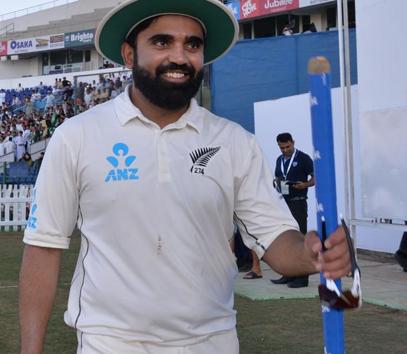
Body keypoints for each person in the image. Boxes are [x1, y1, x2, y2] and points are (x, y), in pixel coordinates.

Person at [18, 1, 351, 353]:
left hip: (211, 341)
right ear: (129, 55)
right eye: (162, 42)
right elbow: (43, 248)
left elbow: (274, 239)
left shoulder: (233, 141)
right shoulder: (77, 136)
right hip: (110, 341)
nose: (180, 56)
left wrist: (312, 254)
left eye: (192, 44)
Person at [271, 132, 316, 288]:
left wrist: (304, 185)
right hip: (284, 203)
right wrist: (276, 184)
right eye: (281, 147)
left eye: (287, 147)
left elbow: (315, 177)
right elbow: (278, 176)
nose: (284, 150)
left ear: (293, 142)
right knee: (286, 238)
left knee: (300, 239)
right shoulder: (279, 159)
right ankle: (288, 274)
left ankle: (303, 278)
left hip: (298, 202)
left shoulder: (304, 158)